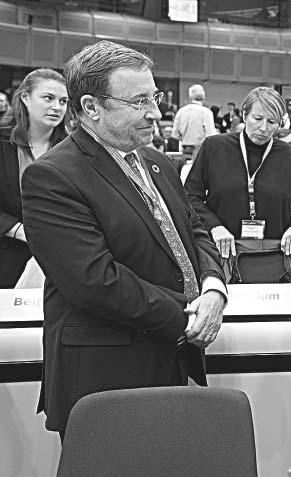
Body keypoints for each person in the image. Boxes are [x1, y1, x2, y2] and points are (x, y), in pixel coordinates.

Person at [20, 41, 228, 439]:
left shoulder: (158, 162)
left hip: (171, 360)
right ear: (91, 107)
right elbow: (94, 280)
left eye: (154, 97)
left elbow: (194, 229)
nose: (155, 113)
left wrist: (213, 286)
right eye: (138, 101)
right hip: (106, 374)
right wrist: (187, 317)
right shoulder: (53, 176)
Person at [184, 86, 291, 259]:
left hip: (274, 255)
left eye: (272, 122)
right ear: (245, 115)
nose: (263, 128)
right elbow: (190, 196)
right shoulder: (214, 147)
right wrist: (214, 226)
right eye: (258, 118)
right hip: (220, 253)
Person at [0, 68, 70, 289]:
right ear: (25, 97)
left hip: (61, 258)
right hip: (7, 253)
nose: (57, 107)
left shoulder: (74, 149)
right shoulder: (2, 142)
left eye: (63, 101)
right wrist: (20, 231)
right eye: (48, 98)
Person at [171, 84, 217, 158]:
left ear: (190, 97)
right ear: (203, 96)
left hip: (185, 149)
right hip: (201, 150)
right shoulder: (206, 112)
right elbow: (211, 134)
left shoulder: (181, 111)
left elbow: (174, 134)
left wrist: (185, 138)